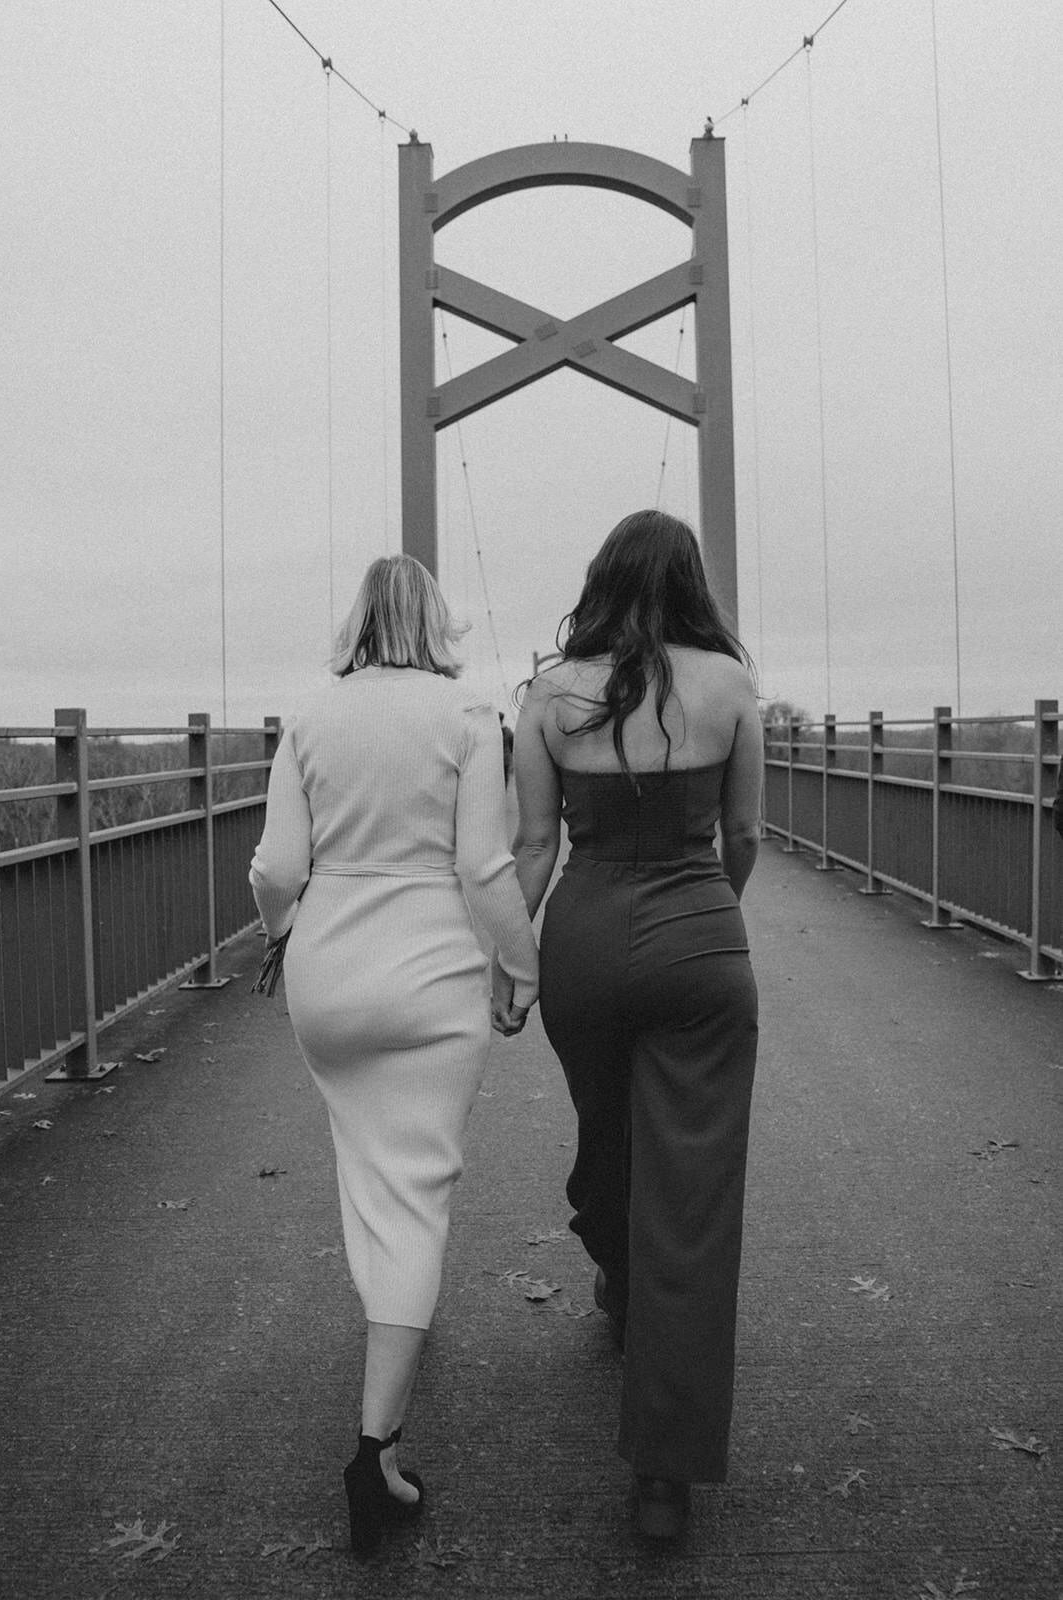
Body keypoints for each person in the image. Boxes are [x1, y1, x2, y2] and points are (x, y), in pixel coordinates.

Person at [249, 555, 537, 1560]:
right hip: (430, 978)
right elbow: (482, 865)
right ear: (435, 621)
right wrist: (520, 962)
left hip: (329, 978)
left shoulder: (309, 717)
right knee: (415, 1192)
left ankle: (390, 1330)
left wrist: (280, 928)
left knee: (364, 1166)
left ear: (358, 620)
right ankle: (374, 1451)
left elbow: (276, 867)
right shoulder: (467, 717)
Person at [505, 509, 762, 1540]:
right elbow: (742, 832)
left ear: (599, 580)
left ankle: (611, 1258)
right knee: (690, 1196)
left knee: (607, 1133)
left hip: (584, 939)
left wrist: (504, 960)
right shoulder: (730, 686)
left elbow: (529, 847)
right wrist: (711, 908)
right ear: (693, 582)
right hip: (699, 936)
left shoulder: (547, 695)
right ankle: (660, 1476)